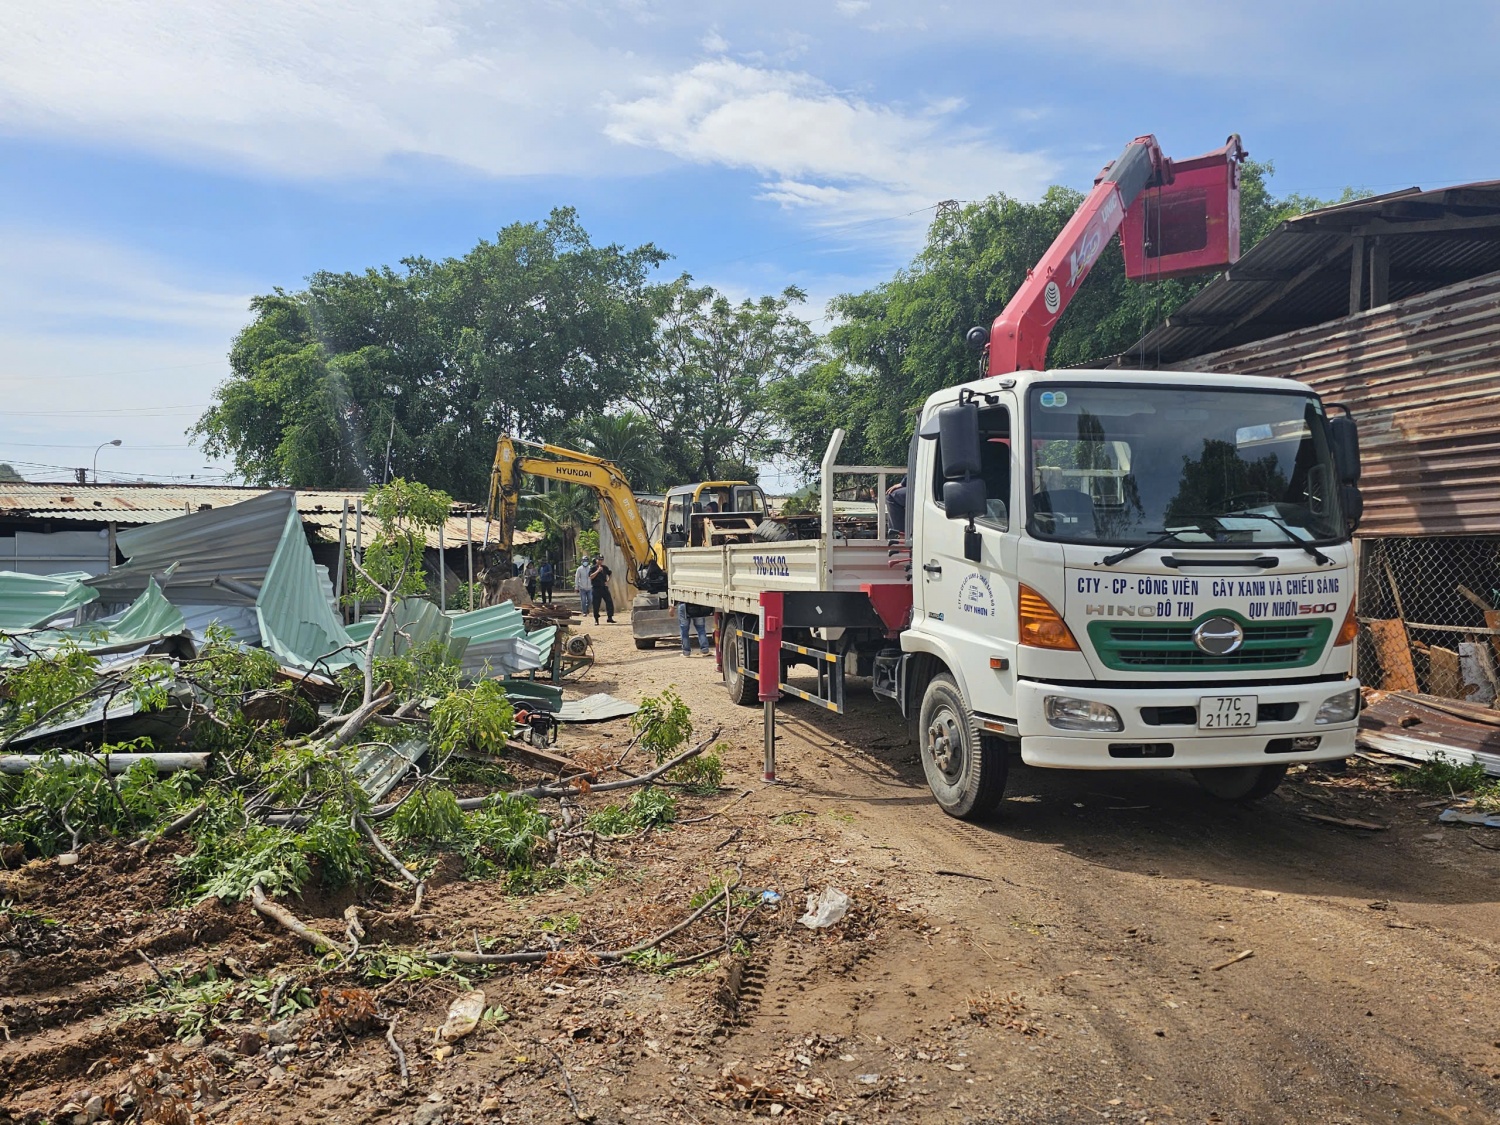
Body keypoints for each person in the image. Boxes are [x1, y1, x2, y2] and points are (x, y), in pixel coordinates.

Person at [589, 556, 614, 623]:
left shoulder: (605, 567)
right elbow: (591, 577)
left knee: (609, 602)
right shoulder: (593, 568)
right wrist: (598, 571)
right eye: (599, 559)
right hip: (596, 588)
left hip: (604, 587)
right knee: (596, 604)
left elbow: (610, 573)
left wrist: (607, 581)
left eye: (602, 560)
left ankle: (610, 617)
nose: (600, 561)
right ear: (596, 560)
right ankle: (596, 619)